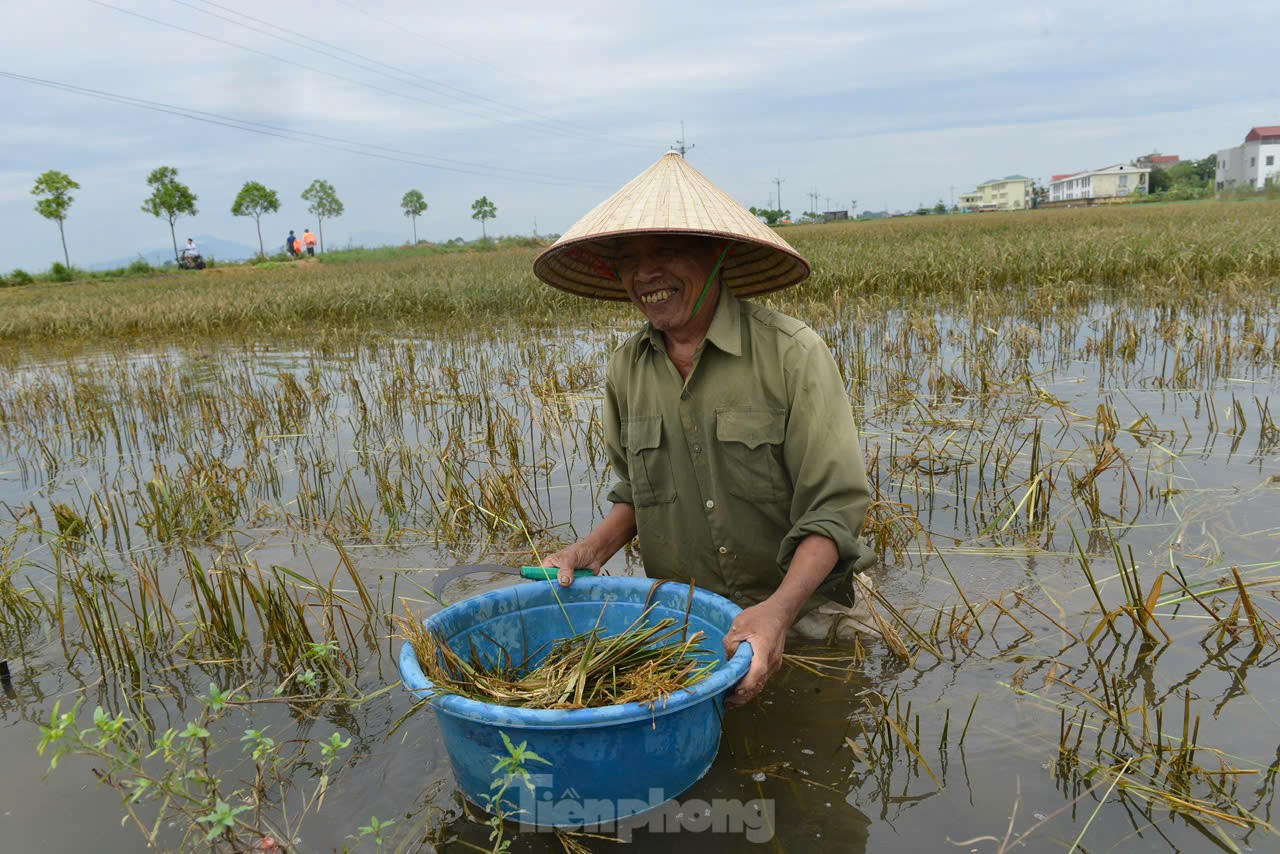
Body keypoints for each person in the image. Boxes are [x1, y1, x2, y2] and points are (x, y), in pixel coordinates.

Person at [534, 152, 878, 707]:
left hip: (805, 613)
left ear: (717, 255)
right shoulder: (627, 369)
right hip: (686, 623)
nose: (646, 274)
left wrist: (777, 613)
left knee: (818, 744)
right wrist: (588, 551)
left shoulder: (792, 355)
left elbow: (833, 514)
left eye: (667, 251)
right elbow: (636, 496)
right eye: (629, 260)